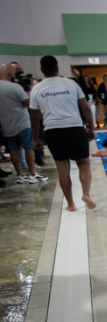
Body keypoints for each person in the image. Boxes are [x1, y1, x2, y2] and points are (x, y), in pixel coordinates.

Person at [29, 55, 96, 211]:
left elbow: (34, 117)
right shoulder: (71, 84)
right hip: (74, 127)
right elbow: (85, 108)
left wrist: (35, 139)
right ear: (58, 68)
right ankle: (86, 194)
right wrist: (91, 128)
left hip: (52, 131)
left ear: (41, 70)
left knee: (63, 168)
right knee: (84, 164)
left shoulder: (37, 89)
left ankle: (71, 204)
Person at [0, 64, 48, 184]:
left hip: (6, 124)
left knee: (13, 149)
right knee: (28, 148)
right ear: (10, 74)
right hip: (21, 123)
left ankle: (20, 175)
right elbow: (28, 104)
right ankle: (32, 174)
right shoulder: (15, 87)